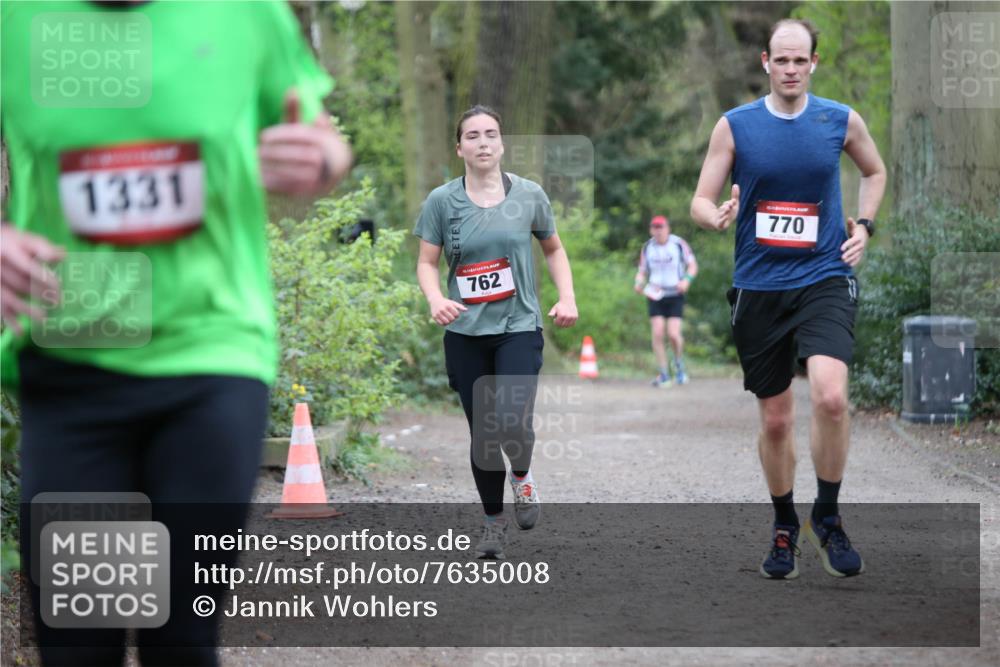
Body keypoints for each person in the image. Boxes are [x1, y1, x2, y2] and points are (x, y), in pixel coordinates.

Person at [1, 2, 351, 664]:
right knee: (78, 639)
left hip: (211, 349)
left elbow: (322, 135)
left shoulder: (245, 13)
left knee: (182, 636)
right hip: (76, 351)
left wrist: (318, 162)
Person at [690, 18, 886, 579]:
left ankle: (827, 514)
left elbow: (874, 171)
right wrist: (716, 215)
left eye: (801, 60)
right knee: (776, 420)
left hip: (824, 275)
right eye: (783, 60)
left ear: (814, 63)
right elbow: (700, 201)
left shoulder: (839, 120)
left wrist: (864, 227)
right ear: (765, 63)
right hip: (759, 285)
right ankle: (784, 525)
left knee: (829, 396)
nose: (792, 69)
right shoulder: (736, 127)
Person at [415, 105, 577, 559]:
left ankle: (521, 477)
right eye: (473, 136)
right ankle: (492, 525)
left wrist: (567, 298)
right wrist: (435, 299)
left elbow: (554, 249)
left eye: (491, 134)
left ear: (502, 143)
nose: (483, 142)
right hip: (465, 333)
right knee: (483, 433)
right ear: (460, 147)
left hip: (519, 326)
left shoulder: (529, 195)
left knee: (510, 420)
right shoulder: (442, 201)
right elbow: (427, 263)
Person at [633, 215, 698, 387]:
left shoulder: (678, 244)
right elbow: (642, 271)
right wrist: (638, 282)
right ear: (650, 229)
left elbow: (692, 265)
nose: (658, 230)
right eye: (655, 227)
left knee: (674, 334)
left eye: (661, 227)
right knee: (658, 333)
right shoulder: (647, 247)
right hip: (655, 294)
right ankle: (663, 373)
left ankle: (678, 364)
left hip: (675, 293)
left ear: (667, 228)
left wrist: (687, 280)